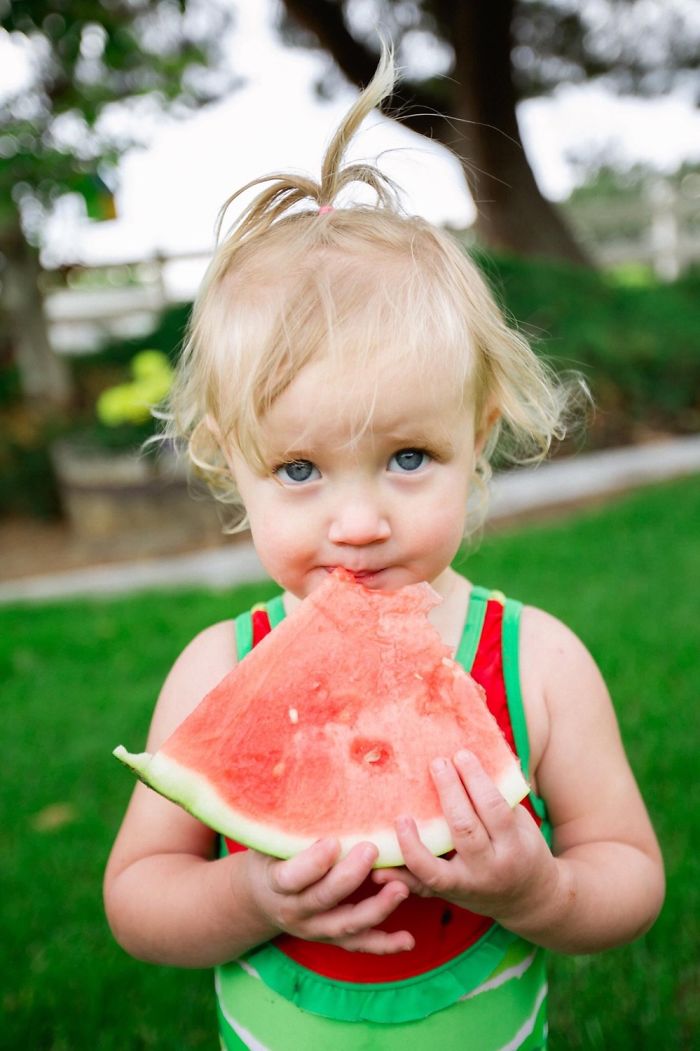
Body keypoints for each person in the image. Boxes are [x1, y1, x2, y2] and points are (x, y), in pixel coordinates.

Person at [104, 49, 664, 1050]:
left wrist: (541, 888)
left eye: (408, 456)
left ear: (478, 434)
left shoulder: (536, 663)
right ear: (233, 465)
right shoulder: (213, 668)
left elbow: (626, 874)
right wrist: (247, 894)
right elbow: (138, 898)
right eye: (300, 471)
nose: (356, 522)